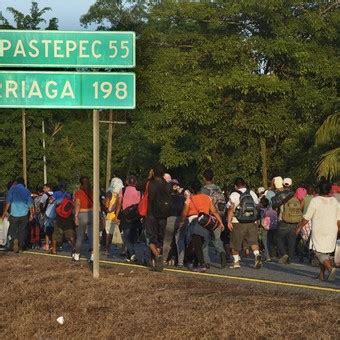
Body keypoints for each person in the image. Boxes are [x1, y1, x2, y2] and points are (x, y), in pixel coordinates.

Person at [296, 181, 340, 281]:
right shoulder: (335, 202)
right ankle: (321, 274)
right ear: (330, 190)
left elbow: (307, 217)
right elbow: (338, 220)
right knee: (325, 253)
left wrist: (299, 227)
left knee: (317, 252)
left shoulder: (315, 201)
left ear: (319, 189)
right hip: (332, 230)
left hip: (319, 230)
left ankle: (330, 268)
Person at [227, 177, 261, 269]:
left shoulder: (234, 194)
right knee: (253, 241)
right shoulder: (252, 193)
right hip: (252, 221)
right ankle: (257, 255)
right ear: (245, 184)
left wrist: (229, 221)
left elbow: (230, 208)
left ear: (235, 186)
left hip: (238, 222)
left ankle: (236, 262)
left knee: (235, 243)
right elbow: (257, 206)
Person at [144, 165, 172, 272]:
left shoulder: (150, 184)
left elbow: (139, 186)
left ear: (154, 173)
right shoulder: (168, 185)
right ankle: (157, 257)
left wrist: (149, 177)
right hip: (164, 216)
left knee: (151, 238)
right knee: (160, 240)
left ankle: (157, 256)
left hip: (151, 214)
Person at [200, 169, 227, 268]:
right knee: (217, 239)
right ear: (213, 178)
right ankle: (222, 252)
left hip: (208, 217)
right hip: (219, 217)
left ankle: (206, 261)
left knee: (205, 239)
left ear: (204, 178)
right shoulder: (218, 189)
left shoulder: (204, 190)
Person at [2, 177, 33, 253]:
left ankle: (15, 239)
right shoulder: (27, 191)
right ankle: (21, 247)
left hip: (14, 214)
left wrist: (4, 212)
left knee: (12, 230)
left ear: (16, 182)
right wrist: (31, 214)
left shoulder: (12, 189)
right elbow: (30, 204)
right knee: (22, 231)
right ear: (23, 183)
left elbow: (8, 202)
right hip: (24, 214)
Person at [276, 178, 302, 264]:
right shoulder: (295, 195)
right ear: (291, 185)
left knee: (278, 238)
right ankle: (289, 259)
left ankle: (284, 254)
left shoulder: (281, 195)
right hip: (294, 221)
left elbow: (276, 207)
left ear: (283, 185)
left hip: (283, 220)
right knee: (292, 240)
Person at [118, 175, 141, 262]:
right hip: (136, 215)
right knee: (132, 236)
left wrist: (117, 215)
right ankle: (129, 255)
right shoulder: (139, 191)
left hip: (126, 215)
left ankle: (132, 253)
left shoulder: (123, 190)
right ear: (135, 182)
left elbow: (119, 203)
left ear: (127, 182)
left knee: (126, 236)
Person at [74, 176, 94, 262]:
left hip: (82, 214)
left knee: (80, 236)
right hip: (92, 214)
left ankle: (77, 255)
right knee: (92, 236)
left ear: (80, 183)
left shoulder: (78, 192)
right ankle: (93, 255)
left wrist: (76, 216)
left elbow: (78, 204)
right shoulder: (92, 192)